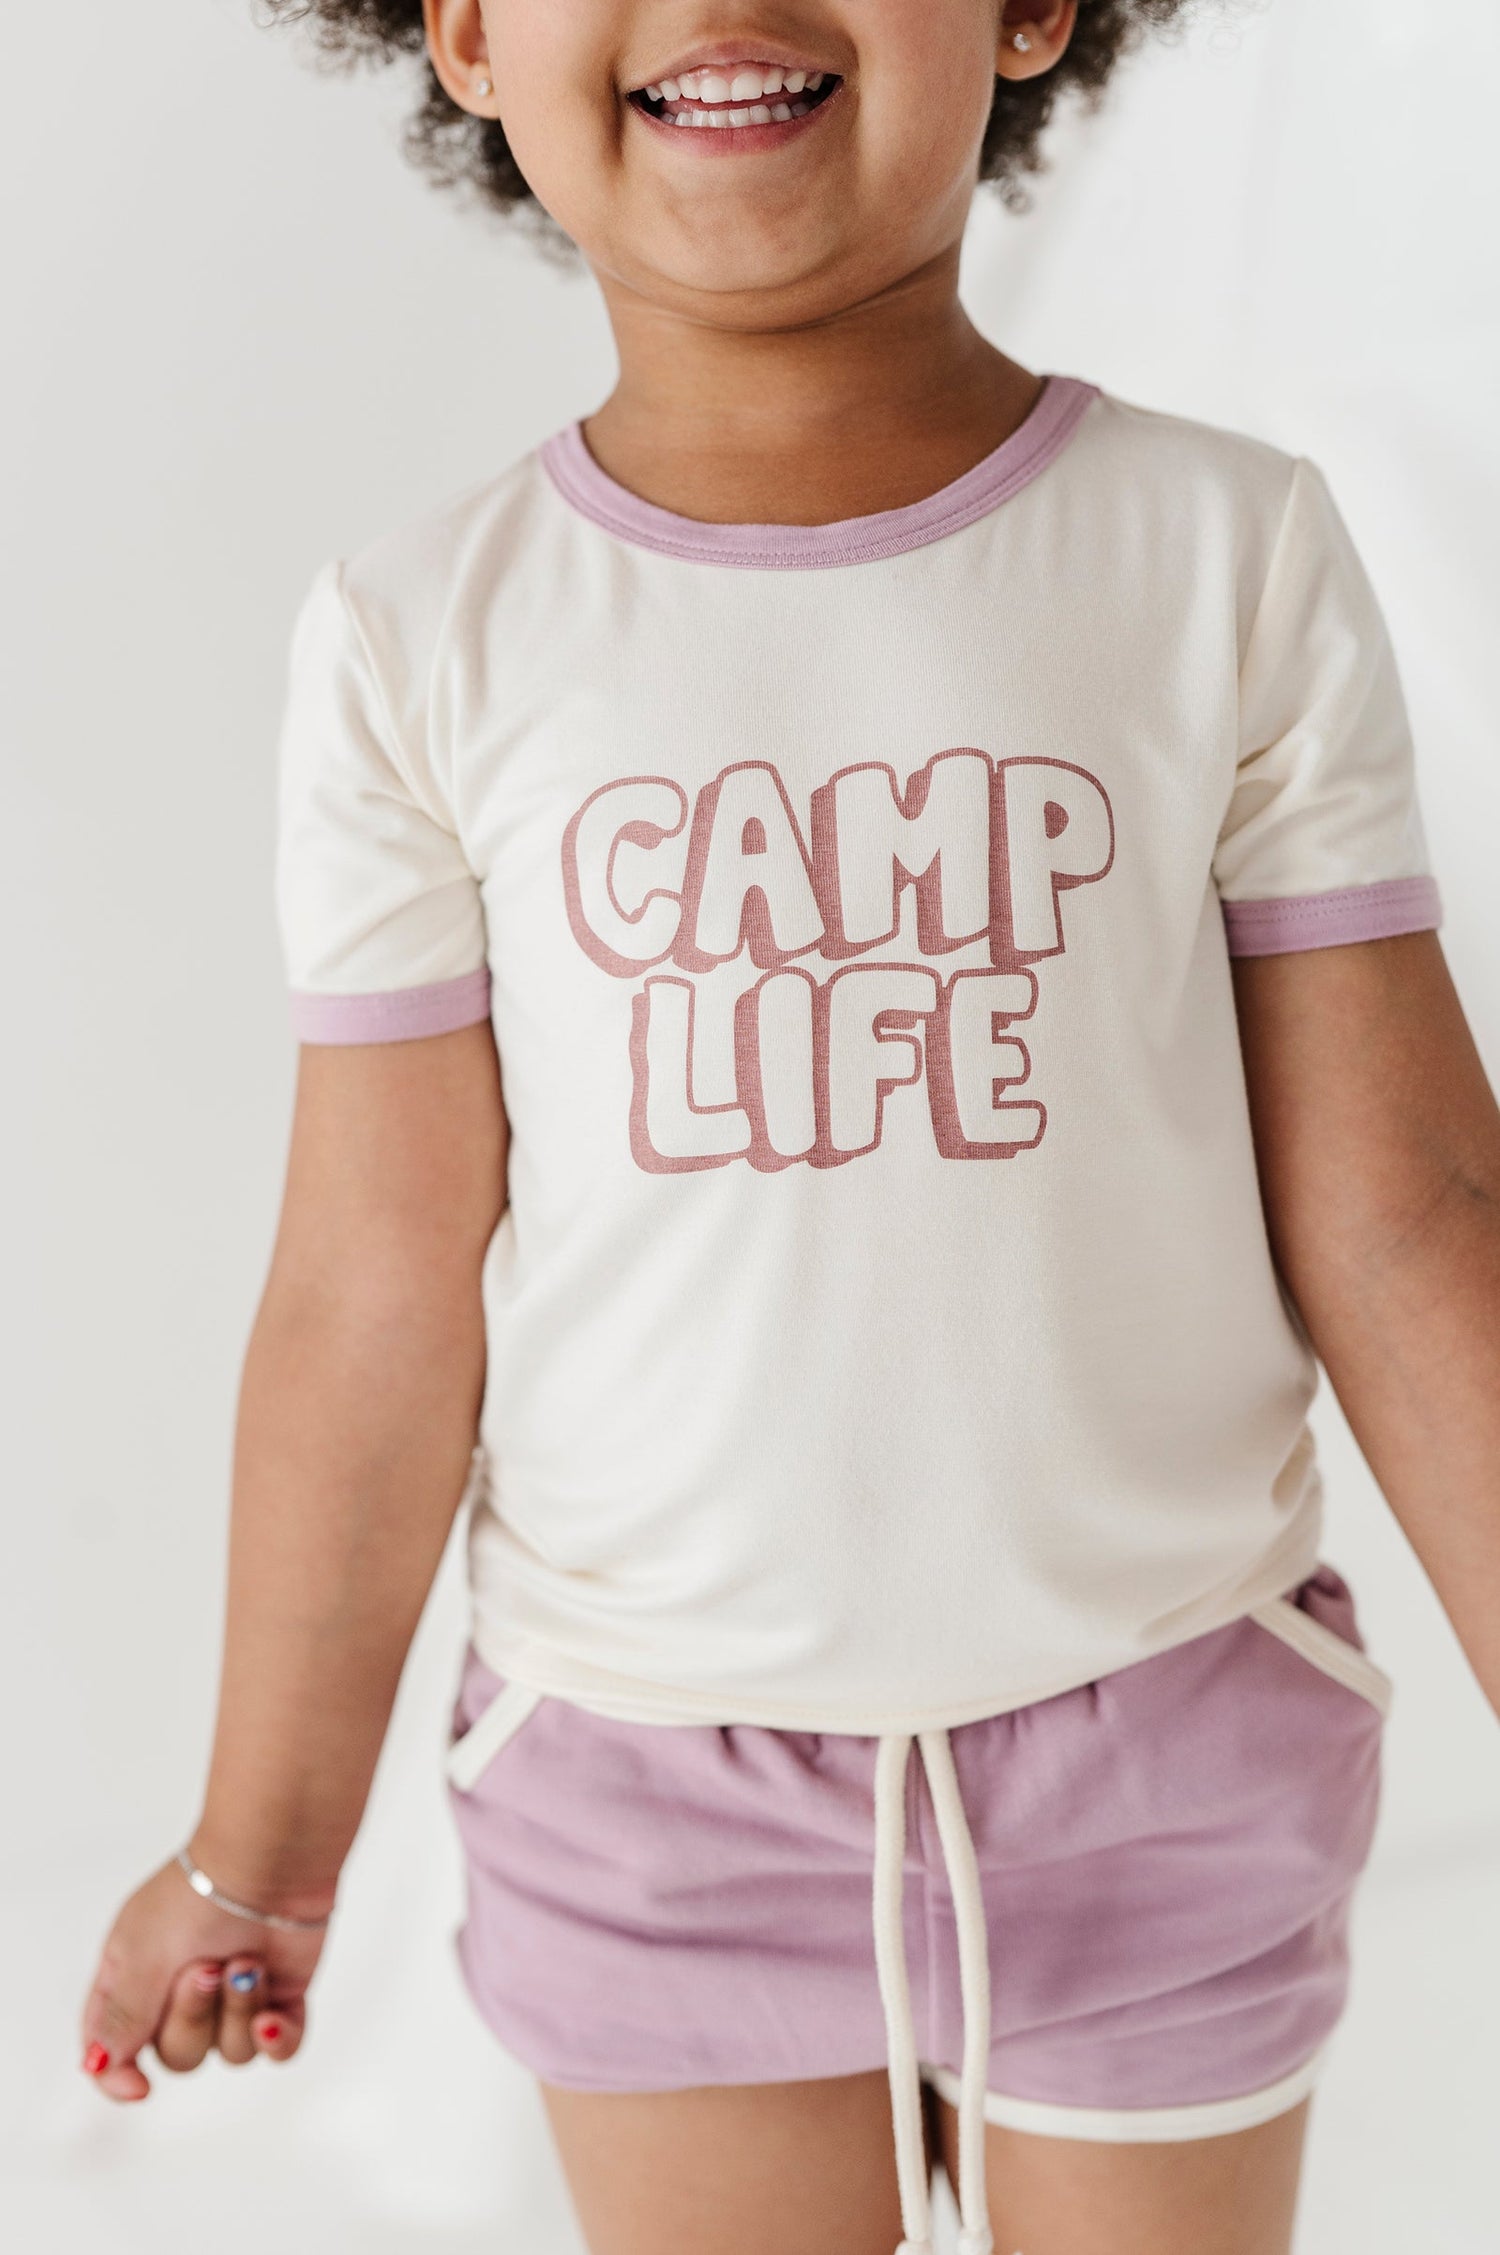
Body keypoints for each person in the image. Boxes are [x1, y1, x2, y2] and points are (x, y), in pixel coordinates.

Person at [77, 5, 1500, 2252]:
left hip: (1166, 1753)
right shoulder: (419, 638)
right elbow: (370, 1301)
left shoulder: (1225, 550)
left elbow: (1409, 1211)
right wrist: (259, 1854)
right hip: (649, 1802)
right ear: (465, 32)